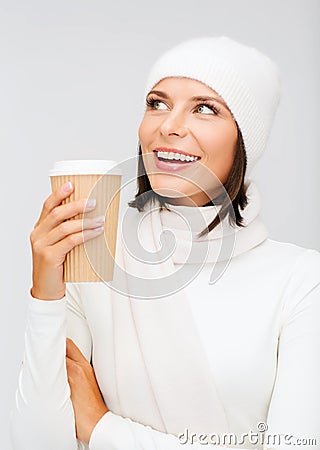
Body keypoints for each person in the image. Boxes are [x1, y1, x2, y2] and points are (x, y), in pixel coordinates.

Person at [9, 36, 320, 450]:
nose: (169, 125)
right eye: (157, 103)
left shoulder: (301, 282)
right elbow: (36, 443)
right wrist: (46, 294)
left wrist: (103, 428)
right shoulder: (98, 257)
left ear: (243, 140)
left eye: (205, 108)